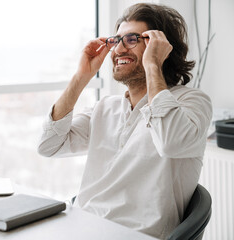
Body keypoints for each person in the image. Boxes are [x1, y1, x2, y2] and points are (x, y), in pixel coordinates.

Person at [37, 3, 212, 240]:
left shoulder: (192, 102)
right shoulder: (105, 108)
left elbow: (170, 141)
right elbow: (48, 145)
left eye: (131, 39)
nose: (118, 49)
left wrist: (152, 65)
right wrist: (82, 76)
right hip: (83, 226)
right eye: (115, 40)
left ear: (160, 47)